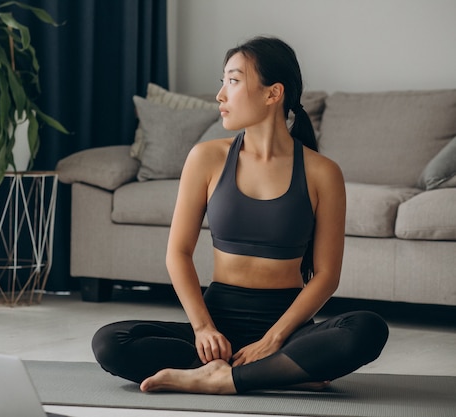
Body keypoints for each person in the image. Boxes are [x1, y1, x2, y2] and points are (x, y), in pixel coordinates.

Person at [92, 36, 389, 395]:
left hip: (288, 328)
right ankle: (278, 373)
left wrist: (274, 339)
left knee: (368, 329)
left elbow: (326, 275)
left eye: (233, 81)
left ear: (272, 93)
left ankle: (222, 379)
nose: (220, 95)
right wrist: (203, 329)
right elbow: (178, 254)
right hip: (218, 328)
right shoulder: (206, 158)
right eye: (223, 81)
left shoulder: (322, 172)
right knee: (110, 341)